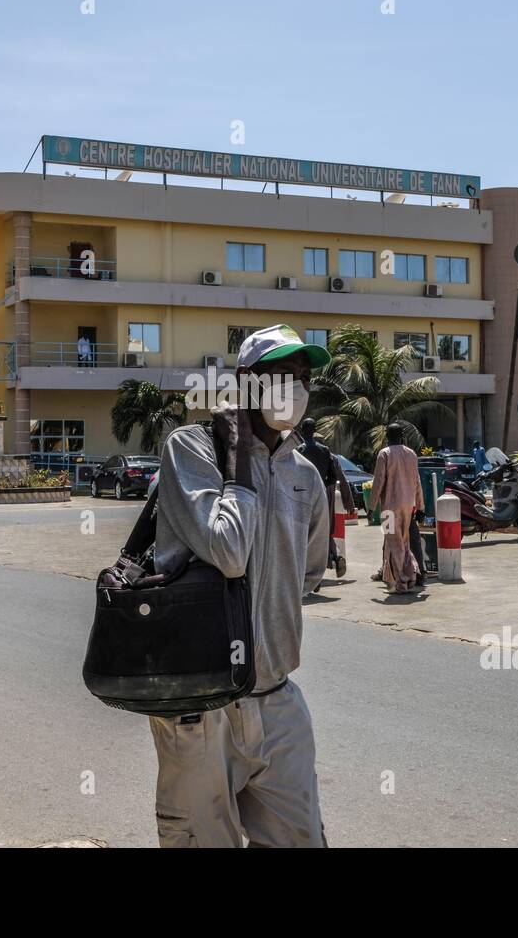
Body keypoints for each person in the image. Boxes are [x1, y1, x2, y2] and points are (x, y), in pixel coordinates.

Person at [149, 324, 331, 847]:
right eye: (280, 374)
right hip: (201, 707)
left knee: (301, 838)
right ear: (246, 382)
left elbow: (308, 575)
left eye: (303, 376)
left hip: (277, 700)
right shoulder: (191, 450)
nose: (294, 387)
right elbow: (229, 553)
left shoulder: (304, 475)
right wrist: (241, 462)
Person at [371, 423, 424, 594]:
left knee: (393, 543)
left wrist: (371, 506)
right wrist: (421, 506)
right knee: (404, 542)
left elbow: (378, 481)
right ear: (402, 436)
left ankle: (402, 581)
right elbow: (417, 482)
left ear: (387, 436)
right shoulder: (411, 454)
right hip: (408, 506)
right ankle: (409, 576)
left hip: (389, 507)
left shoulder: (384, 454)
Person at [297, 417, 352, 579]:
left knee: (303, 534)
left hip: (301, 496)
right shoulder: (325, 450)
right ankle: (325, 564)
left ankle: (309, 570)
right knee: (320, 532)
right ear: (314, 431)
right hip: (321, 496)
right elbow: (335, 477)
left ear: (302, 430)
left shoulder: (298, 450)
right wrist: (322, 485)